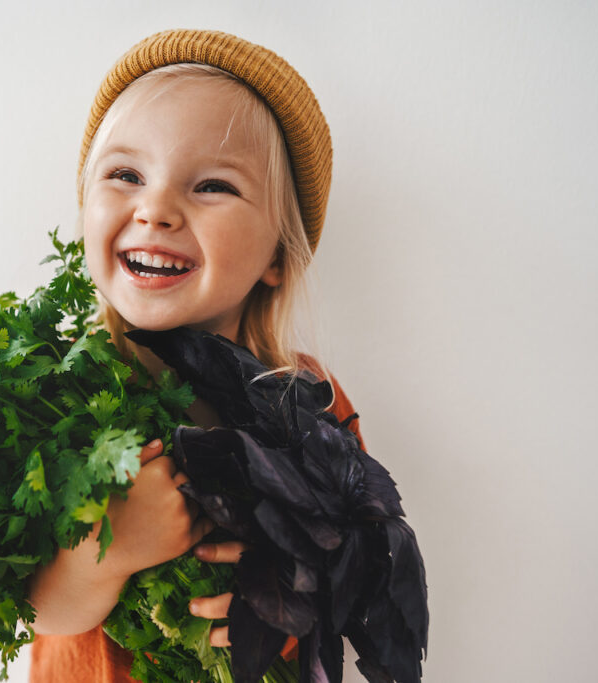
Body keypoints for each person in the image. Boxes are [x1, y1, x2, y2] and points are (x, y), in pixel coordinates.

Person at [27, 29, 364, 682]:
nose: (155, 209)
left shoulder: (310, 402)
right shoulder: (54, 390)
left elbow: (356, 565)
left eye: (211, 185)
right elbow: (40, 610)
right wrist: (103, 552)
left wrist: (293, 588)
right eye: (126, 175)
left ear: (276, 255)